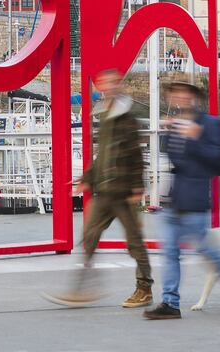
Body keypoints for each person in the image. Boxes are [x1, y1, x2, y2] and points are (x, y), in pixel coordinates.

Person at [144, 77, 220, 320]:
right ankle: (170, 303)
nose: (180, 97)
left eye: (184, 93)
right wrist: (169, 132)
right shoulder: (174, 125)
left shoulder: (212, 125)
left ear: (194, 97)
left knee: (209, 252)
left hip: (195, 201)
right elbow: (174, 158)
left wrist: (195, 139)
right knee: (170, 251)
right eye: (175, 93)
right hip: (174, 200)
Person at [44, 68, 153, 308]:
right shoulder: (105, 114)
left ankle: (144, 288)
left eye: (111, 82)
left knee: (134, 242)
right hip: (104, 191)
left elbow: (135, 153)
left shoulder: (127, 117)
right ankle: (83, 288)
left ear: (119, 84)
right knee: (89, 237)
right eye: (103, 83)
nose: (107, 87)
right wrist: (87, 179)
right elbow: (101, 154)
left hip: (124, 192)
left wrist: (137, 188)